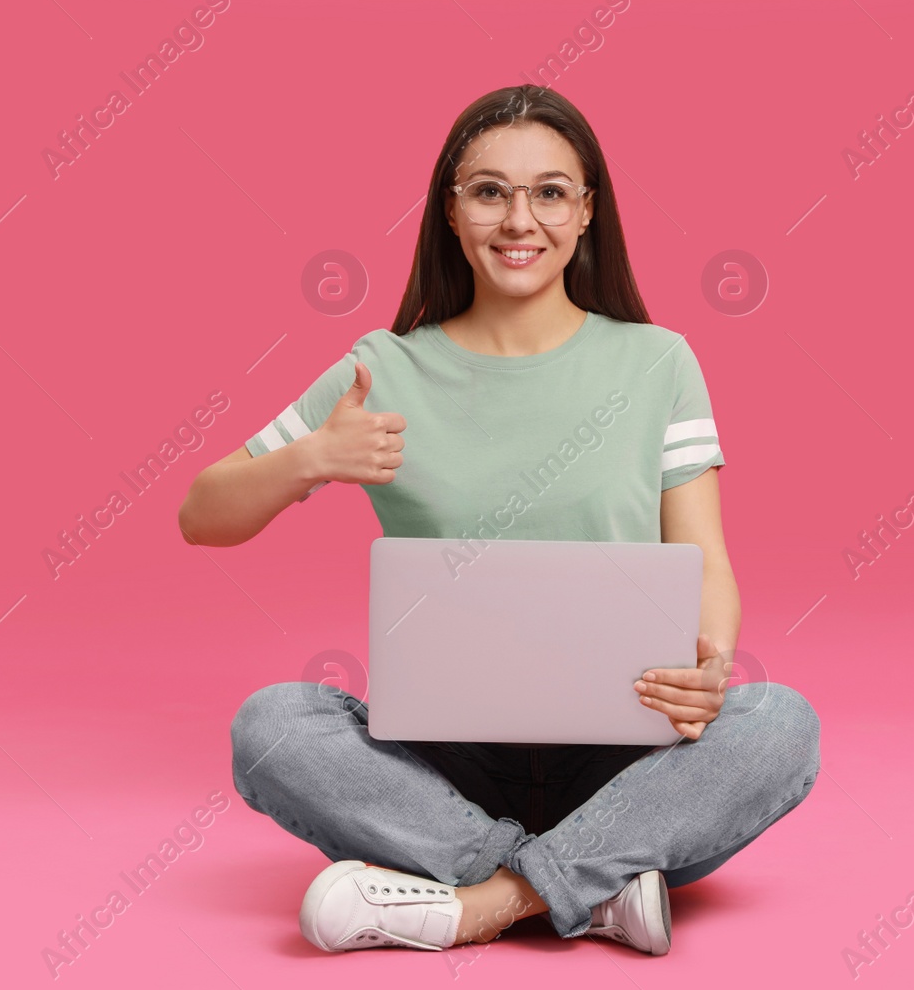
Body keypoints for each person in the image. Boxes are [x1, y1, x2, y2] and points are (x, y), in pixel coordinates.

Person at [177, 84, 821, 956]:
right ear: (451, 210)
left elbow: (704, 555)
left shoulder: (658, 361)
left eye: (550, 191)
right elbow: (200, 514)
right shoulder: (383, 370)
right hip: (446, 763)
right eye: (489, 191)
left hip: (624, 754)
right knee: (272, 727)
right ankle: (586, 887)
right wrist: (311, 459)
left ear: (587, 211)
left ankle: (483, 900)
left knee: (780, 725)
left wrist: (709, 665)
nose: (520, 219)